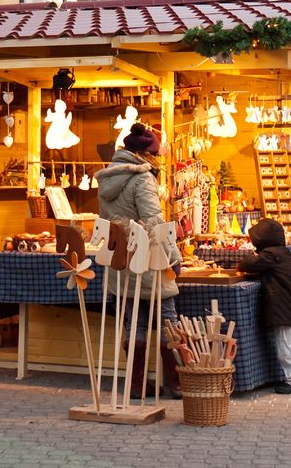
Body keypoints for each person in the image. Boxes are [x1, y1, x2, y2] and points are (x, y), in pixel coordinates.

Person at [94, 123, 183, 399]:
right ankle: (175, 382)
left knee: (134, 323)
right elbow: (155, 222)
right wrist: (174, 256)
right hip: (147, 258)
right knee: (168, 318)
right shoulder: (143, 178)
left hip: (122, 258)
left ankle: (136, 385)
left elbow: (111, 220)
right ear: (147, 155)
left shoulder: (108, 177)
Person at [237, 218, 291, 394]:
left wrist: (246, 257)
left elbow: (249, 264)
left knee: (288, 345)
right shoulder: (282, 252)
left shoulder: (271, 255)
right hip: (290, 306)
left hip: (283, 307)